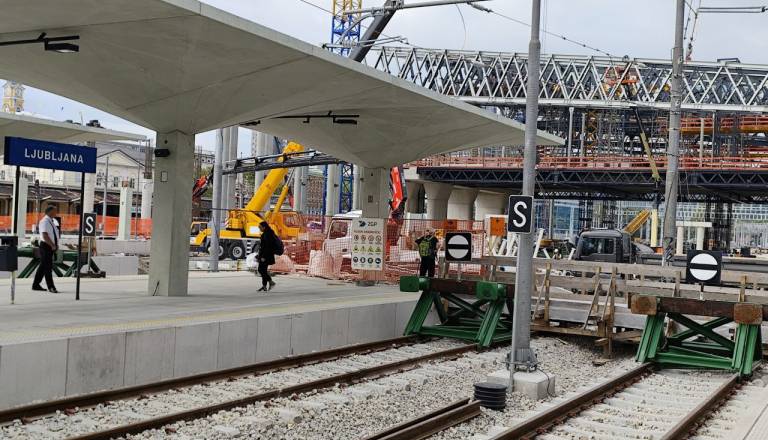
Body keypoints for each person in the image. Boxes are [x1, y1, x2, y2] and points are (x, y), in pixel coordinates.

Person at [32, 205, 59, 293]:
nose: (56, 212)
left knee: (43, 267)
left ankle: (36, 285)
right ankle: (51, 287)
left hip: (49, 246)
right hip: (46, 246)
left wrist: (55, 244)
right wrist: (53, 245)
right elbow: (45, 235)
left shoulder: (51, 221)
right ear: (50, 211)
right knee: (48, 267)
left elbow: (53, 234)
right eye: (55, 210)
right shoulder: (44, 221)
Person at [257, 221, 278, 292]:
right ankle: (264, 286)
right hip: (265, 255)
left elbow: (268, 247)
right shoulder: (268, 233)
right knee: (264, 270)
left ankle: (271, 282)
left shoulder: (267, 234)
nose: (259, 228)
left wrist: (263, 257)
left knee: (260, 269)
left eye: (260, 227)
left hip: (265, 256)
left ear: (264, 227)